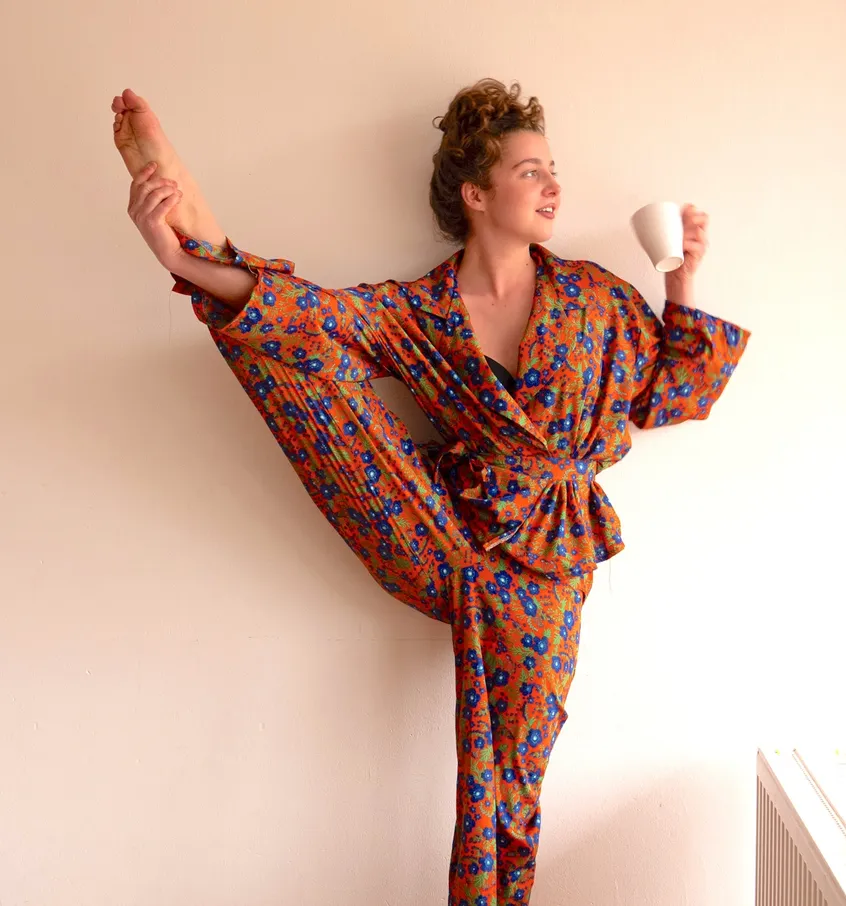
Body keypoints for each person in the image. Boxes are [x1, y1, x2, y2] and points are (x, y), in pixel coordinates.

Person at [113, 78, 750, 906]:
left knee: (510, 788)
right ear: (476, 194)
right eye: (530, 171)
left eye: (553, 168)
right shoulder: (423, 312)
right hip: (440, 528)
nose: (554, 184)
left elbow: (678, 392)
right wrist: (177, 258)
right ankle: (204, 230)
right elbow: (316, 319)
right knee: (311, 360)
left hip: (546, 567)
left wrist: (682, 278)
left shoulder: (594, 299)